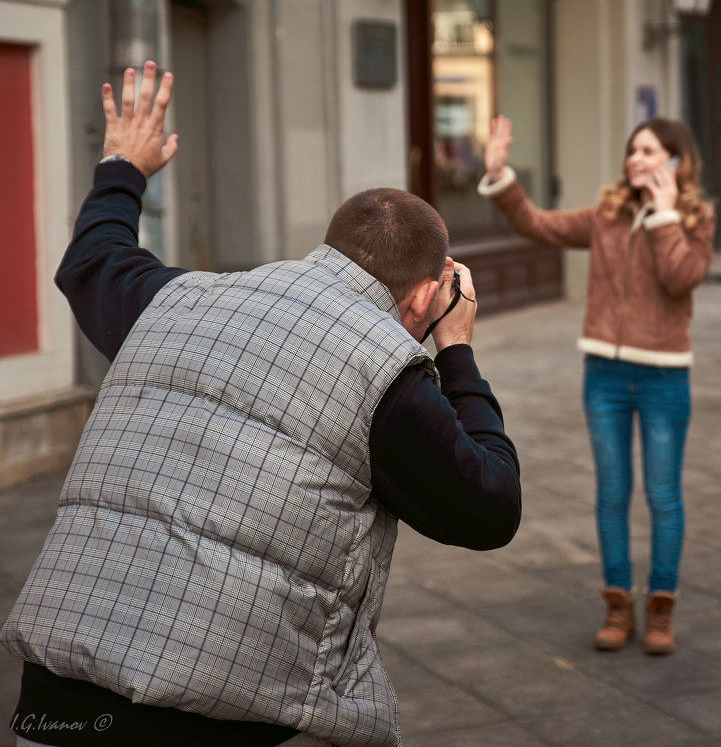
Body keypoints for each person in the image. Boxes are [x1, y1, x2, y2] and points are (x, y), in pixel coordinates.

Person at [1, 62, 521, 747]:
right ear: (425, 295)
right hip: (213, 716)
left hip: (56, 701)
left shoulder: (177, 298)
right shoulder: (388, 374)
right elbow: (489, 503)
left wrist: (122, 165)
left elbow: (93, 259)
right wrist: (455, 350)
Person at [478, 114, 714, 654]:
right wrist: (501, 176)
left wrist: (664, 215)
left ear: (677, 162)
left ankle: (660, 610)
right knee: (611, 493)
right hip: (604, 377)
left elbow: (680, 277)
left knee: (663, 495)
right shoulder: (606, 216)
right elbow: (537, 224)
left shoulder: (696, 220)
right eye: (633, 150)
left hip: (664, 376)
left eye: (649, 151)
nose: (636, 159)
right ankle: (616, 604)